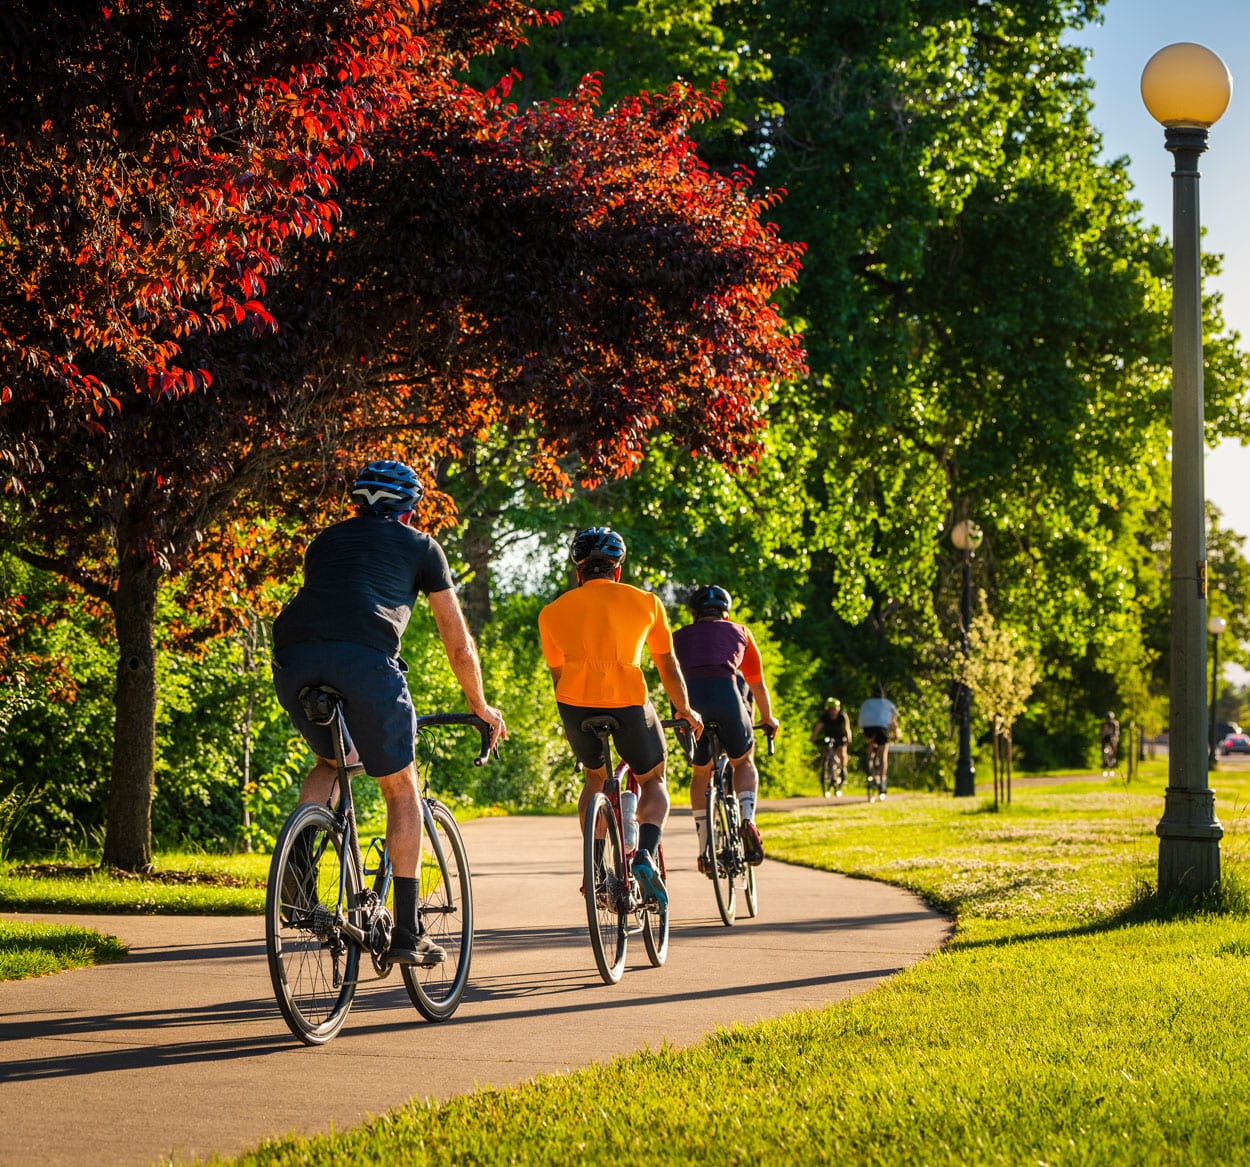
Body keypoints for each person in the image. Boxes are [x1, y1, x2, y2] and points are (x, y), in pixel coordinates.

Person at [271, 459, 506, 967]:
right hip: (365, 660)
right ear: (410, 509)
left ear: (357, 502)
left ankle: (297, 872)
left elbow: (333, 602)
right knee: (401, 787)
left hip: (293, 656)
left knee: (335, 762)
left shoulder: (325, 542)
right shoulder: (422, 547)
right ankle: (407, 931)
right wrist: (479, 706)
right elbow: (458, 643)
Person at [538, 527, 703, 909]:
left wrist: (573, 711)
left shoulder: (551, 612)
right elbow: (667, 663)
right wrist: (684, 709)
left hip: (575, 705)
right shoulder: (646, 602)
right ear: (618, 570)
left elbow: (557, 674)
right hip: (628, 702)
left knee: (594, 780)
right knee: (653, 778)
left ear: (578, 571)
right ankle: (644, 854)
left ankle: (593, 869)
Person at [672, 584, 779, 868]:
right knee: (743, 762)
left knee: (700, 774)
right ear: (726, 614)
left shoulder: (678, 637)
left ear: (693, 614)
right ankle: (747, 819)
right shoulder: (740, 632)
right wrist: (767, 718)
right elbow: (756, 683)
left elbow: (668, 676)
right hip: (727, 698)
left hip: (690, 706)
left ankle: (705, 848)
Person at [858, 685, 900, 797]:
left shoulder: (866, 703)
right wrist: (895, 735)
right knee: (882, 757)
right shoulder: (888, 704)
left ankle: (869, 762)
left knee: (871, 744)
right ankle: (882, 782)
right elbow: (893, 722)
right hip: (881, 729)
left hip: (867, 729)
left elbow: (861, 720)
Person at [810, 696, 852, 796]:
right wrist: (813, 737)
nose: (832, 711)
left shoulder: (842, 716)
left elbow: (847, 728)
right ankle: (826, 769)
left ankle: (843, 770)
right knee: (826, 753)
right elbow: (817, 728)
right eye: (830, 709)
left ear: (837, 708)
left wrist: (848, 737)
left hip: (840, 737)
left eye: (834, 709)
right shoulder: (824, 717)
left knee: (842, 753)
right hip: (829, 737)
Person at [1101, 711, 1121, 775]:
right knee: (1103, 748)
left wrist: (1113, 737)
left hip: (1113, 738)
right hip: (1106, 738)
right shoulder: (1104, 724)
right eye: (1107, 718)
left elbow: (1116, 732)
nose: (1108, 719)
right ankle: (1104, 762)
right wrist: (1102, 736)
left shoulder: (1115, 723)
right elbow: (1102, 732)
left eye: (1109, 718)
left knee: (1114, 748)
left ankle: (1113, 758)